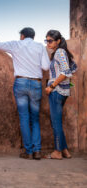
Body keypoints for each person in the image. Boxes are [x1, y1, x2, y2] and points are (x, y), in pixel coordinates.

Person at [0, 27, 50, 160]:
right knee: (35, 119)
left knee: (24, 118)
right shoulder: (40, 47)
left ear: (22, 36)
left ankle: (28, 151)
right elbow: (46, 66)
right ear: (33, 36)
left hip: (21, 83)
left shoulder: (16, 44)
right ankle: (37, 151)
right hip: (35, 83)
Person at [44, 30, 77, 160]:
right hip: (62, 91)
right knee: (57, 121)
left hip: (56, 91)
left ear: (58, 41)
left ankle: (57, 152)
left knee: (56, 122)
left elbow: (66, 72)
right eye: (46, 40)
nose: (48, 43)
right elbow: (74, 67)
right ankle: (65, 150)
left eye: (50, 40)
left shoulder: (59, 52)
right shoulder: (62, 52)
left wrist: (51, 86)